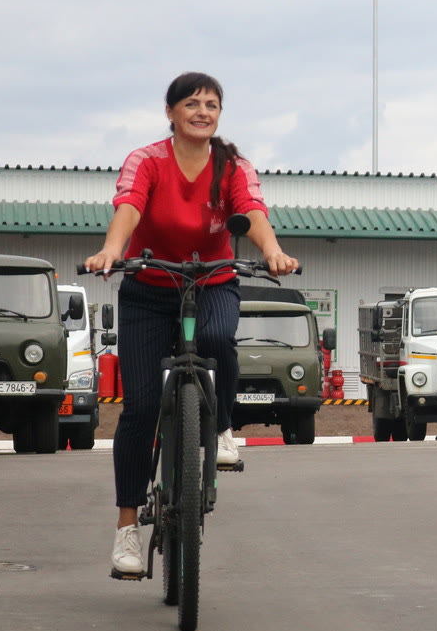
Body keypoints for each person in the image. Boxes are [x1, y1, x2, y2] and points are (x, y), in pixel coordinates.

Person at [84, 72, 298, 579]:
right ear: (171, 112)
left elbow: (252, 211)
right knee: (137, 409)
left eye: (212, 104)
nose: (203, 111)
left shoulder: (233, 165)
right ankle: (127, 530)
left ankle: (222, 428)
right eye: (191, 103)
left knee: (218, 337)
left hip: (212, 281)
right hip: (149, 288)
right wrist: (113, 251)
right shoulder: (148, 160)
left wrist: (273, 253)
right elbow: (130, 206)